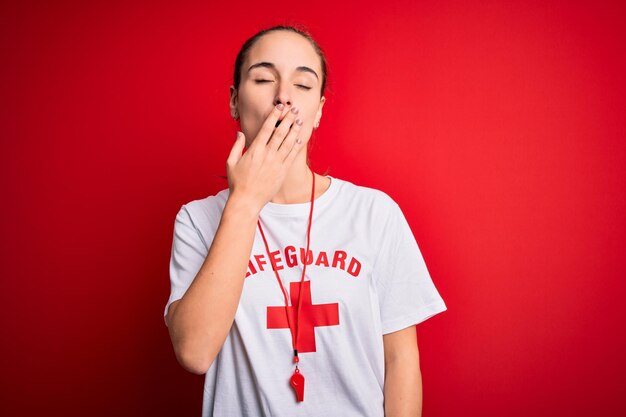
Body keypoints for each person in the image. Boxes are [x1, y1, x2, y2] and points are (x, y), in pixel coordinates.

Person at [164, 25, 447, 417]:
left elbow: (400, 360)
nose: (283, 97)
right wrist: (245, 201)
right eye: (263, 78)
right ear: (234, 101)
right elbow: (194, 352)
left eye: (302, 84)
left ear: (319, 111)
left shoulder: (374, 213)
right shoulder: (197, 221)